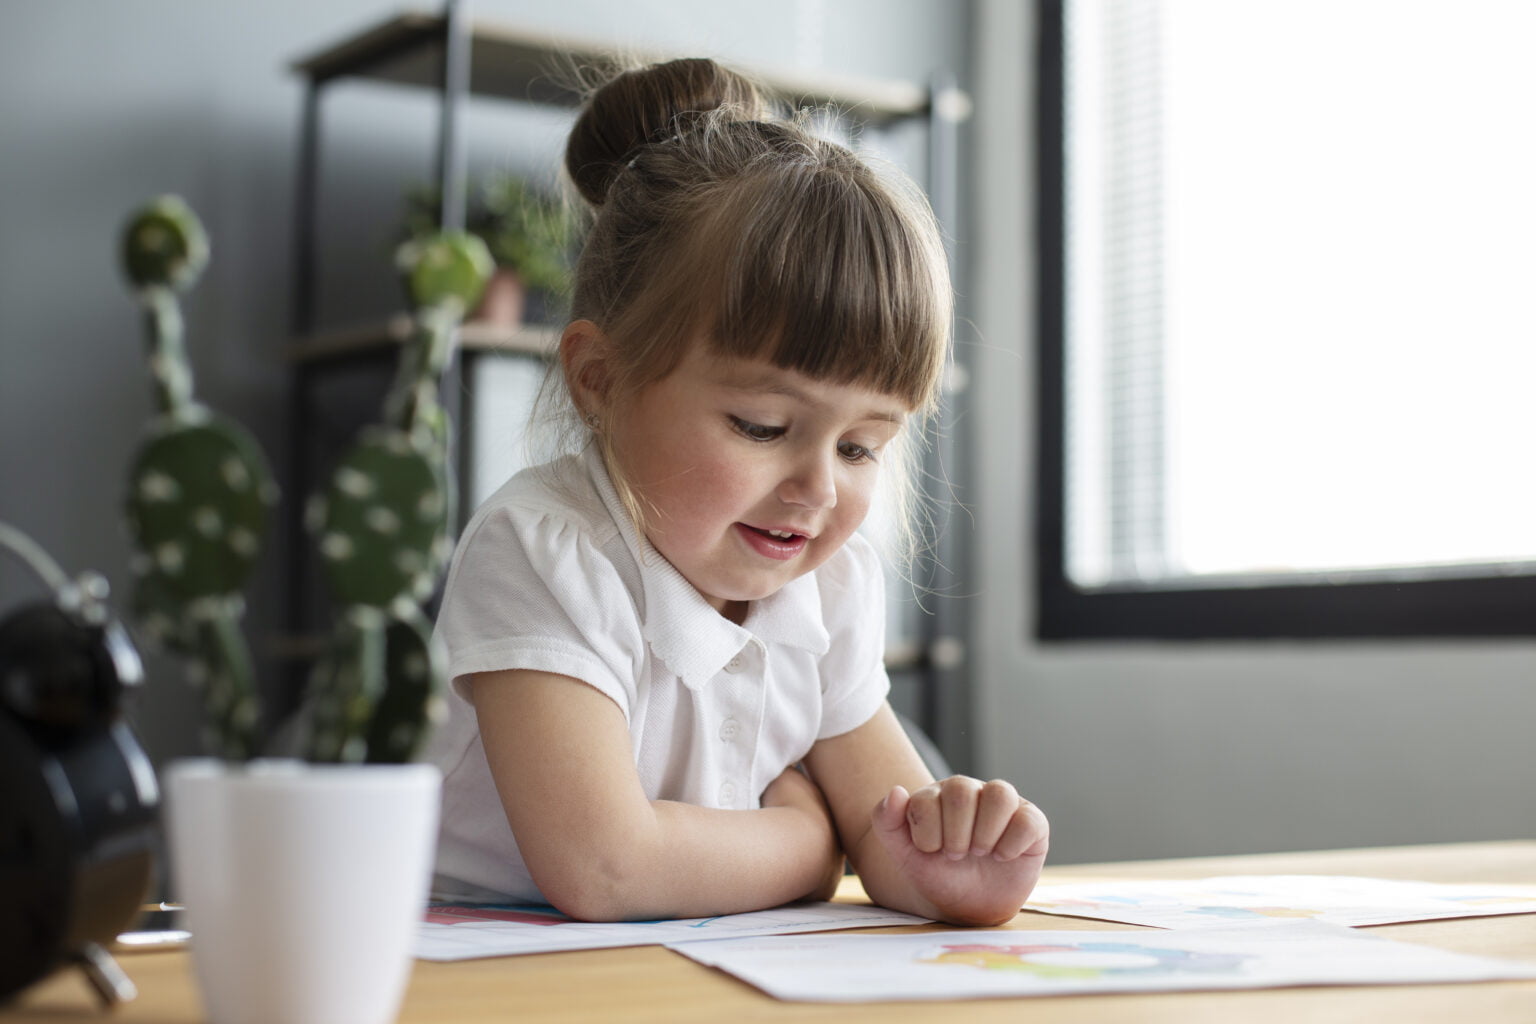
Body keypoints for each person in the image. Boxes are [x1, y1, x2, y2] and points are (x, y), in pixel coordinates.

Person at [425, 57, 1048, 927]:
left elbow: (894, 844)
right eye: (760, 426)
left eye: (864, 446)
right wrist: (807, 840)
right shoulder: (543, 550)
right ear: (600, 380)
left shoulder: (830, 586)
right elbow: (606, 869)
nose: (816, 489)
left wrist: (957, 869)